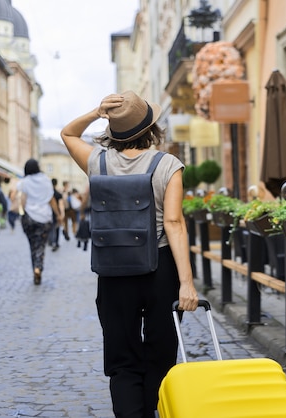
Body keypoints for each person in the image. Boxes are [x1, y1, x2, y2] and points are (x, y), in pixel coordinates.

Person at [60, 90, 199, 418]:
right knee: (161, 354)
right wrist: (187, 284)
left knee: (122, 358)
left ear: (114, 131)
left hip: (113, 270)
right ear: (151, 127)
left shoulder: (97, 162)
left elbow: (67, 132)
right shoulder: (168, 165)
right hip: (160, 269)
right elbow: (175, 223)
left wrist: (97, 112)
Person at [18, 159, 62, 285]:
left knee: (32, 245)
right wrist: (58, 214)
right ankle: (38, 268)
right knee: (41, 245)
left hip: (29, 218)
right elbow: (51, 200)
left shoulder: (24, 182)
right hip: (44, 218)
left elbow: (22, 200)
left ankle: (34, 269)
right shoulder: (46, 180)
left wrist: (22, 214)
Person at [48, 178, 65, 251]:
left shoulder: (48, 193)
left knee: (50, 227)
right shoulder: (58, 194)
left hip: (48, 213)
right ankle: (56, 242)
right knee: (57, 228)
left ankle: (51, 241)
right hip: (56, 212)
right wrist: (62, 214)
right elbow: (61, 205)